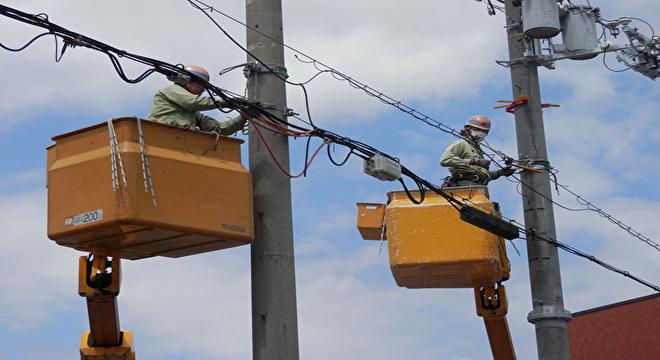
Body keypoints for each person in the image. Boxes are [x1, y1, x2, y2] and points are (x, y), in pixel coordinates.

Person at [147, 65, 248, 134]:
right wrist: (226, 101)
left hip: (177, 140)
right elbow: (193, 102)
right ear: (186, 80)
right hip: (159, 134)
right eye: (201, 84)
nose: (204, 89)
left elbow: (219, 129)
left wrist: (243, 117)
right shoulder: (170, 90)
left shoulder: (192, 114)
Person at [440, 115, 515, 187]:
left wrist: (499, 173)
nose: (481, 133)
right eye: (478, 129)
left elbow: (481, 174)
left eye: (485, 131)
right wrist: (474, 162)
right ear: (468, 128)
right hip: (464, 185)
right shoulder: (461, 143)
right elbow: (445, 160)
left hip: (478, 187)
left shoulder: (478, 150)